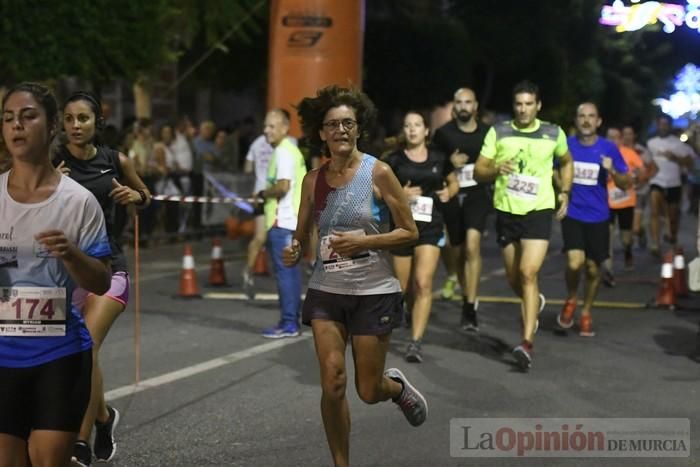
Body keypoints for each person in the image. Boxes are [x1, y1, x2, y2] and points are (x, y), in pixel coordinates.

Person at [288, 85, 426, 467]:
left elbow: (410, 231)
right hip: (326, 290)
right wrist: (294, 248)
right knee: (332, 382)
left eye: (348, 123)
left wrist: (367, 240)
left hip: (373, 291)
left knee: (367, 390)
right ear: (321, 133)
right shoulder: (312, 180)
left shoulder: (378, 172)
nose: (341, 131)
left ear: (358, 128)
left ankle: (394, 388)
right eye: (333, 125)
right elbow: (301, 233)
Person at [0, 82, 112, 467]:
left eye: (28, 117)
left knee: (48, 461)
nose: (16, 126)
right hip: (2, 357)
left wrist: (72, 254)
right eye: (9, 118)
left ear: (50, 128)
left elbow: (101, 281)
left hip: (58, 355)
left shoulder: (77, 201)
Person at [54, 91, 152, 466]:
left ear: (97, 123)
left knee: (85, 346)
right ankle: (104, 417)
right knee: (81, 351)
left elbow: (146, 196)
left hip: (110, 267)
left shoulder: (115, 160)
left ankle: (79, 441)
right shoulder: (52, 162)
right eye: (69, 119)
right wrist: (50, 185)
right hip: (67, 274)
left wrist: (135, 196)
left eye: (83, 119)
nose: (76, 126)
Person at [474, 80, 573, 370]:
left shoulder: (553, 132)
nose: (523, 109)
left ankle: (526, 342)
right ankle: (533, 301)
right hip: (506, 211)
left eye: (529, 104)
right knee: (514, 278)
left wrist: (564, 192)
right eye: (519, 104)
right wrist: (495, 169)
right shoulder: (499, 131)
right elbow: (479, 170)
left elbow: (566, 161)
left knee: (528, 273)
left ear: (538, 106)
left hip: (539, 210)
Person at [385, 111, 458, 362]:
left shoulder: (439, 157)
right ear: (404, 131)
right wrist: (399, 195)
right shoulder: (394, 160)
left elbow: (452, 180)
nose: (412, 129)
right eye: (407, 126)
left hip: (431, 225)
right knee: (404, 288)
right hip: (402, 227)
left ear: (426, 130)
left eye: (417, 125)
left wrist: (451, 191)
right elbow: (379, 191)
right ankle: (408, 309)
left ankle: (415, 341)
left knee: (423, 283)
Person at [555, 104, 629, 338]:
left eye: (591, 117)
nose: (586, 121)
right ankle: (571, 298)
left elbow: (625, 184)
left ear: (598, 121)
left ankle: (586, 311)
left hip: (598, 215)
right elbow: (553, 170)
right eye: (581, 116)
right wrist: (562, 190)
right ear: (576, 120)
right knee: (575, 262)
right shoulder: (566, 145)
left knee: (593, 268)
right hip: (573, 213)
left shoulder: (609, 148)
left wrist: (613, 171)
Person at [431, 87, 491, 331]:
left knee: (473, 246)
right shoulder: (443, 135)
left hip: (478, 194)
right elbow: (432, 164)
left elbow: (495, 162)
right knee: (455, 250)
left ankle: (469, 306)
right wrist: (449, 163)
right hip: (451, 195)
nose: (464, 106)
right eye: (459, 102)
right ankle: (456, 278)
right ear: (454, 107)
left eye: (468, 102)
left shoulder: (488, 133)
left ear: (475, 106)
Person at [258, 109, 307, 338]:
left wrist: (263, 193)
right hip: (291, 221)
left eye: (272, 126)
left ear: (285, 127)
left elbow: (283, 186)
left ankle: (289, 323)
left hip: (283, 221)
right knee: (291, 273)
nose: (267, 130)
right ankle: (291, 320)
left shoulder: (285, 153)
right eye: (266, 126)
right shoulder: (289, 151)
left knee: (285, 274)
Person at [602, 127, 646, 285]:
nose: (613, 140)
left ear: (620, 139)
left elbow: (642, 169)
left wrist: (636, 179)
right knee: (607, 235)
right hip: (606, 202)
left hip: (626, 201)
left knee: (626, 237)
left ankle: (628, 250)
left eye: (616, 137)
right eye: (610, 137)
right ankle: (608, 270)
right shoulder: (600, 152)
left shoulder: (628, 153)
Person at [648, 115, 696, 254]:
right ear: (657, 125)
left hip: (673, 183)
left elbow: (691, 163)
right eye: (660, 124)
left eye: (665, 124)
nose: (663, 126)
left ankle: (673, 236)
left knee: (673, 215)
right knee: (655, 211)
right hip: (656, 181)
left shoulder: (678, 144)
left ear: (669, 126)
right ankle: (655, 243)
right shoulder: (651, 143)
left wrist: (674, 157)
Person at [242, 134, 274, 299]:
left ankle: (249, 270)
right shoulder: (289, 143)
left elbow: (247, 169)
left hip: (260, 194)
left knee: (260, 237)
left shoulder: (256, 142)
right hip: (275, 195)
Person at [621, 125, 657, 249]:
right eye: (625, 134)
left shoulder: (641, 151)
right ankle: (628, 253)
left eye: (630, 134)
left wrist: (644, 179)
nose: (627, 137)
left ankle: (640, 232)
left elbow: (654, 168)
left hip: (639, 192)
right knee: (626, 228)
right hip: (622, 194)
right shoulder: (617, 150)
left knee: (634, 228)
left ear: (634, 136)